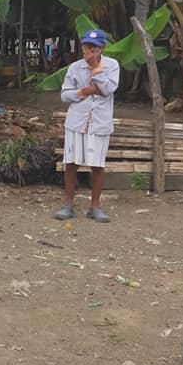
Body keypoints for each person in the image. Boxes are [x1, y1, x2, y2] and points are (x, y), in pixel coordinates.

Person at [55, 28, 120, 223]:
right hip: (77, 122)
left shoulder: (112, 66)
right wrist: (85, 91)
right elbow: (65, 95)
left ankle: (95, 207)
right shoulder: (75, 68)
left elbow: (108, 89)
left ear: (102, 48)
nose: (89, 51)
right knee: (71, 164)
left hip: (99, 123)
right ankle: (68, 205)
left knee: (97, 166)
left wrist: (95, 69)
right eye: (86, 46)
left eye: (94, 47)